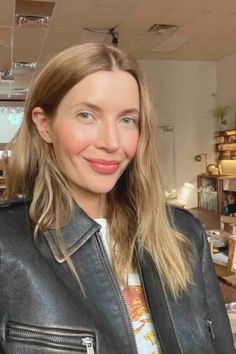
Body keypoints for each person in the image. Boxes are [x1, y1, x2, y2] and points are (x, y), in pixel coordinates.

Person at [0, 43, 234, 354]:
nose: (112, 143)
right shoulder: (7, 245)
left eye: (127, 120)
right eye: (87, 115)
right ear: (45, 125)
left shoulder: (184, 235)